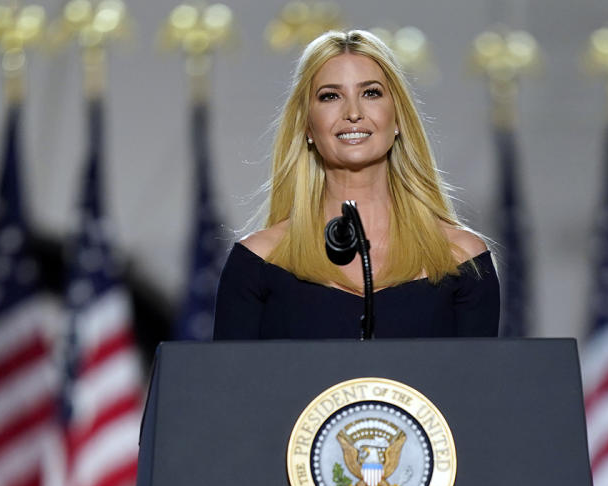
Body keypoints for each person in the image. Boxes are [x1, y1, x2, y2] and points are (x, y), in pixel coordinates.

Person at [213, 29, 499, 340]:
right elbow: (228, 386)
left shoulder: (462, 259)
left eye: (371, 93)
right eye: (330, 96)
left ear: (399, 118)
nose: (353, 113)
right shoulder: (257, 262)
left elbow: (479, 386)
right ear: (307, 125)